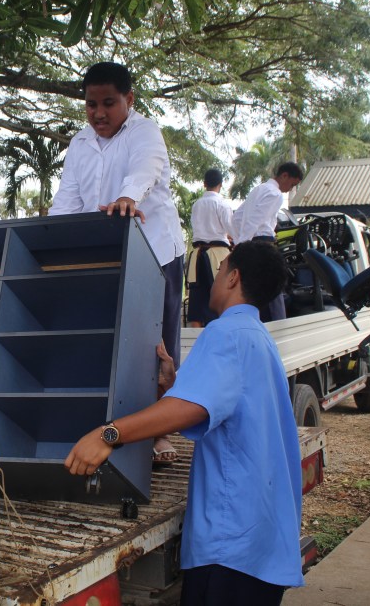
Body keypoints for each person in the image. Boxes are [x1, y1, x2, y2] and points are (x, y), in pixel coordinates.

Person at [64, 241, 303, 605]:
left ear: (233, 278)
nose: (214, 279)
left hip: (231, 548)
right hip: (261, 541)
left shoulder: (225, 333)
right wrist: (172, 384)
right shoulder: (257, 338)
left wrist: (108, 434)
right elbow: (222, 404)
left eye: (220, 270)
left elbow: (189, 409)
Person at [49, 62, 186, 464]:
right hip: (108, 259)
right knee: (111, 343)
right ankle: (110, 426)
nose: (98, 113)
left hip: (156, 253)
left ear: (129, 99)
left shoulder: (145, 131)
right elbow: (68, 200)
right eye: (91, 105)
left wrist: (128, 197)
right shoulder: (80, 143)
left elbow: (145, 170)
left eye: (108, 103)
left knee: (157, 347)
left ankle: (158, 433)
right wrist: (49, 237)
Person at [230, 162, 304, 321]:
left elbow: (236, 218)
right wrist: (241, 244)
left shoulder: (258, 189)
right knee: (272, 286)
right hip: (263, 243)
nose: (290, 189)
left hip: (251, 242)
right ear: (284, 176)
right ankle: (277, 324)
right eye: (292, 184)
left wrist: (239, 240)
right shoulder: (275, 194)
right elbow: (255, 220)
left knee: (255, 289)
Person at [186, 168, 233, 327]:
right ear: (221, 185)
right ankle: (220, 332)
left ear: (204, 184)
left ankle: (196, 336)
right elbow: (232, 229)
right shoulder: (222, 204)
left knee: (197, 298)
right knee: (220, 295)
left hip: (198, 255)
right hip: (218, 255)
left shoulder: (197, 205)